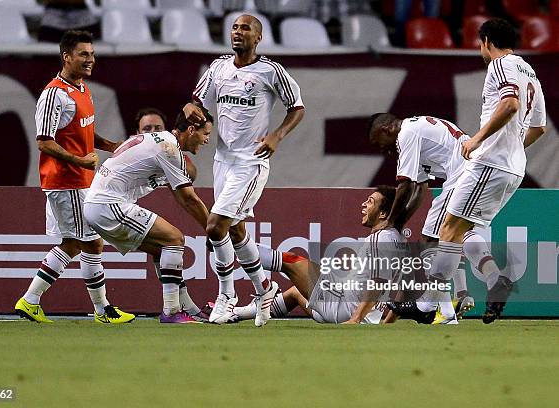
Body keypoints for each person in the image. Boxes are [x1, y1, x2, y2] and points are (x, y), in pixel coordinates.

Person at [183, 14, 305, 326]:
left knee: (214, 227)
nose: (238, 32)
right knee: (235, 230)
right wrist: (191, 108)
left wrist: (276, 136)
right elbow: (195, 101)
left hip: (251, 161)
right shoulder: (219, 67)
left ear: (258, 37)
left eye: (245, 28)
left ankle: (227, 297)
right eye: (235, 27)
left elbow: (297, 107)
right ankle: (265, 289)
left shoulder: (271, 71)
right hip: (222, 161)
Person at [424, 18, 546, 324]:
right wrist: (514, 149)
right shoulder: (531, 73)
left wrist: (479, 140)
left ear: (487, 40)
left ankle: (432, 304)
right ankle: (494, 281)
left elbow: (510, 106)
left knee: (449, 230)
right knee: (468, 231)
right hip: (513, 170)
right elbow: (539, 128)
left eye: (480, 43)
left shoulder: (500, 64)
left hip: (491, 163)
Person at [15, 31, 134, 324]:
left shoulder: (81, 88)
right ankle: (102, 309)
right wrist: (78, 160)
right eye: (83, 54)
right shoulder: (53, 94)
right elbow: (44, 141)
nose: (90, 59)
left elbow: (82, 133)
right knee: (91, 243)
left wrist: (111, 146)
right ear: (66, 56)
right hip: (66, 181)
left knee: (72, 243)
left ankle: (30, 301)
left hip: (79, 180)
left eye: (92, 54)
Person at [83, 108, 214, 323]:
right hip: (107, 203)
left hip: (98, 203)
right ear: (191, 129)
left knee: (161, 248)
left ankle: (188, 308)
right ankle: (171, 311)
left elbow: (181, 197)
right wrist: (212, 230)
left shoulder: (163, 142)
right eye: (205, 134)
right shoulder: (169, 147)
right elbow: (189, 199)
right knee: (175, 239)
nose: (207, 140)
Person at [367, 113, 501, 323]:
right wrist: (399, 224)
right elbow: (419, 188)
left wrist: (391, 223)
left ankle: (444, 311)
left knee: (429, 242)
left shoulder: (406, 134)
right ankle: (486, 282)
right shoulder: (416, 130)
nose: (383, 150)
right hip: (478, 171)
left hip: (463, 176)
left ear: (386, 129)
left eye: (379, 142)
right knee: (456, 236)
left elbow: (405, 186)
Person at [232, 186, 409, 325]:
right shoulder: (400, 240)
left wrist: (355, 319)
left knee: (293, 261)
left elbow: (378, 283)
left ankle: (235, 246)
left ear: (383, 213)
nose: (363, 205)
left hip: (344, 309)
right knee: (295, 293)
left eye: (370, 202)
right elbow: (406, 286)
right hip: (365, 315)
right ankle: (236, 314)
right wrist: (388, 321)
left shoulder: (380, 238)